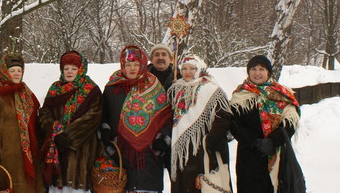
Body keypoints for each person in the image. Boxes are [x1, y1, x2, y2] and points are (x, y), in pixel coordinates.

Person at [100, 45, 172, 193]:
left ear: (143, 65)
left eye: (136, 64)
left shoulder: (154, 86)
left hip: (149, 154)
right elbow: (103, 113)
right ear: (122, 65)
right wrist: (105, 132)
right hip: (119, 150)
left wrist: (163, 139)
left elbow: (166, 116)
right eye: (128, 65)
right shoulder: (112, 87)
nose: (132, 68)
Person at [230, 55, 303, 193]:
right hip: (249, 157)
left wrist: (272, 141)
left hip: (276, 154)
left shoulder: (282, 93)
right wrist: (254, 141)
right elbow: (234, 123)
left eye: (261, 69)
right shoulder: (239, 95)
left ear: (268, 72)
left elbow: (290, 123)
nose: (257, 73)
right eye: (253, 69)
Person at [38, 51, 103, 193]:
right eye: (66, 68)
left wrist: (70, 136)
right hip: (57, 148)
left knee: (76, 186)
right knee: (58, 186)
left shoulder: (91, 90)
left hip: (81, 149)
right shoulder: (55, 88)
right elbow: (44, 112)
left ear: (81, 69)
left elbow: (94, 116)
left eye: (74, 69)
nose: (69, 72)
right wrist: (55, 131)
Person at [0, 52, 43, 193]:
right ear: (4, 72)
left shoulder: (25, 92)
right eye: (12, 70)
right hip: (6, 155)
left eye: (19, 70)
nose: (16, 74)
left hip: (27, 154)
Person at [167, 54, 232, 193]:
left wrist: (212, 139)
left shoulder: (211, 88)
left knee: (201, 184)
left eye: (192, 68)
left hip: (202, 145)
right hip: (181, 147)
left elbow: (223, 115)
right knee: (183, 182)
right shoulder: (176, 88)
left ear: (200, 69)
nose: (188, 72)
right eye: (184, 68)